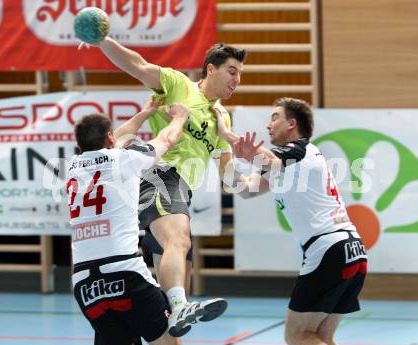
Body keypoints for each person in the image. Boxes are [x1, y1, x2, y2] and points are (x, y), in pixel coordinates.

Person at [79, 32, 255, 337]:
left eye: (240, 73)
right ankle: (179, 304)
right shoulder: (179, 85)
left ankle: (174, 309)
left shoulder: (222, 117)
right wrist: (102, 40)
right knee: (180, 242)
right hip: (160, 175)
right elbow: (136, 64)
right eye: (232, 70)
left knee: (169, 325)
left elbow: (229, 180)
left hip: (180, 192)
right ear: (210, 69)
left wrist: (249, 169)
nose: (237, 78)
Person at [215, 97, 368, 345]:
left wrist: (224, 132)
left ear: (291, 124)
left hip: (327, 249)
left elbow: (265, 158)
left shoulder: (300, 150)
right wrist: (221, 152)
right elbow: (243, 189)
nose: (268, 124)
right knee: (320, 336)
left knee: (297, 336)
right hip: (352, 250)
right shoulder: (289, 165)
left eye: (275, 117)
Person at [67, 100, 189, 345]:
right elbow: (167, 140)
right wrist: (179, 118)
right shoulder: (124, 159)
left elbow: (116, 136)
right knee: (168, 342)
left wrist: (145, 113)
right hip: (124, 272)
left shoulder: (72, 167)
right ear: (110, 138)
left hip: (84, 283)